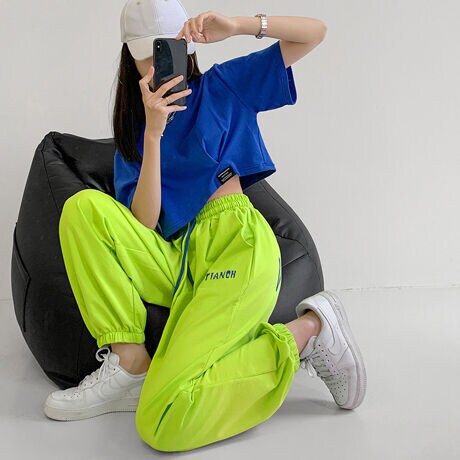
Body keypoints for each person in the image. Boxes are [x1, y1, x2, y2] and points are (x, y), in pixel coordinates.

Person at [43, 0, 366, 452]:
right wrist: (153, 133)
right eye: (147, 53)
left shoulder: (223, 87)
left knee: (163, 424)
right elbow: (144, 222)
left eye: (166, 49)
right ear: (130, 58)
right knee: (82, 208)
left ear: (187, 46)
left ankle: (307, 334)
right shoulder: (138, 134)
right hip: (179, 261)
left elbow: (314, 32)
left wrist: (238, 25)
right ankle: (130, 363)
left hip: (235, 244)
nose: (156, 63)